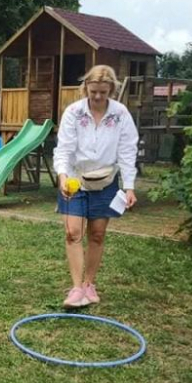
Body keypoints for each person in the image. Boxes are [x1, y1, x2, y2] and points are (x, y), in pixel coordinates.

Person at [53, 65, 138, 307]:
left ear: (111, 89)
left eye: (103, 92)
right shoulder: (73, 112)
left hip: (106, 181)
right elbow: (64, 149)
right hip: (75, 180)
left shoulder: (121, 114)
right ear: (86, 89)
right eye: (93, 92)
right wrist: (62, 177)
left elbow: (127, 150)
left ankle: (89, 284)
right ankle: (76, 288)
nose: (98, 97)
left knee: (97, 235)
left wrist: (129, 186)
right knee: (72, 233)